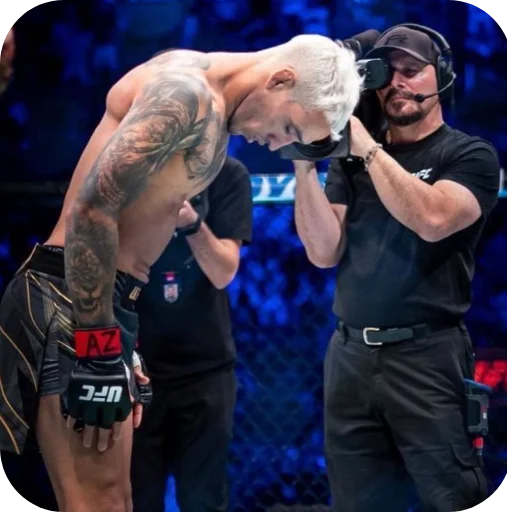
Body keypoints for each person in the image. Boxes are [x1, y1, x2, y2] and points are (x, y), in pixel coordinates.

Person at [0, 34, 362, 512]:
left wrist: (118, 340)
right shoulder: (187, 95)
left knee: (116, 500)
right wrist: (98, 348)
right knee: (98, 502)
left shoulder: (203, 96)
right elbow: (91, 208)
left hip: (101, 303)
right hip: (71, 300)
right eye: (290, 127)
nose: (278, 144)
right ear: (280, 80)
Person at [292, 24, 501, 511]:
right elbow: (323, 252)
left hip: (426, 356)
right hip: (349, 356)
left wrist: (365, 145)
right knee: (356, 501)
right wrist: (304, 164)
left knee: (452, 497)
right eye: (388, 74)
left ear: (441, 77)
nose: (398, 83)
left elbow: (433, 219)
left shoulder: (469, 154)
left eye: (412, 70)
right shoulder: (350, 163)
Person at [130, 155, 252, 512]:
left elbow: (223, 272)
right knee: (136, 499)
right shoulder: (131, 170)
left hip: (206, 369)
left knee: (204, 501)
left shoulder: (228, 174)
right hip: (138, 367)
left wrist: (191, 222)